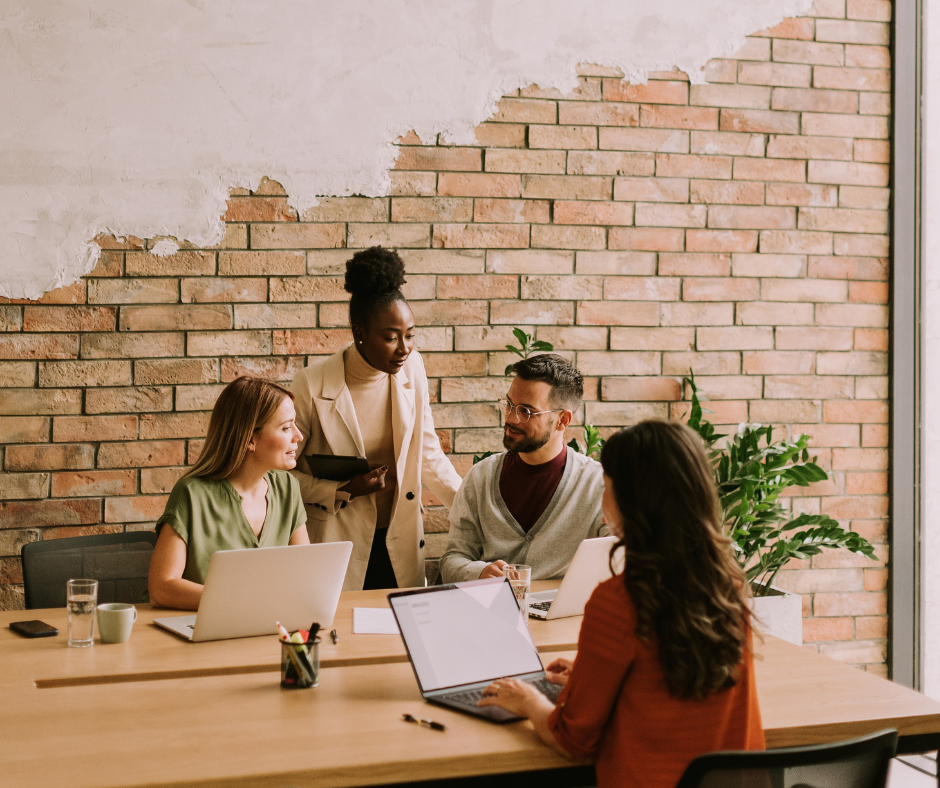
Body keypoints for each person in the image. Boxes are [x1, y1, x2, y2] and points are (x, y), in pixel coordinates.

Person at [478, 420, 765, 788]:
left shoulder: (621, 600)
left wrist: (527, 700)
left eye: (607, 488)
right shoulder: (729, 585)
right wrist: (591, 672)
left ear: (633, 501)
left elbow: (572, 741)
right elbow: (671, 675)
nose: (602, 503)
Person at [290, 246, 462, 591]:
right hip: (338, 540)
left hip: (399, 537)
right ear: (359, 332)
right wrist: (340, 489)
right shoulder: (312, 384)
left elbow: (428, 453)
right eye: (390, 337)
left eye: (410, 335)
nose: (404, 347)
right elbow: (281, 474)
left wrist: (475, 513)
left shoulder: (413, 368)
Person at [439, 354, 607, 583]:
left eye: (526, 411)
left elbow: (620, 559)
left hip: (561, 616)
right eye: (509, 404)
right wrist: (479, 572)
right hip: (493, 613)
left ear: (563, 421)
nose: (510, 418)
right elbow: (452, 559)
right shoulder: (481, 476)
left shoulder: (597, 484)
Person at [148, 377, 310, 610]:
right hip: (202, 631)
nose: (299, 436)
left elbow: (305, 574)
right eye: (286, 427)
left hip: (268, 627)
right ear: (250, 439)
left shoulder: (287, 487)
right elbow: (162, 588)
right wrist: (243, 602)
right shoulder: (191, 494)